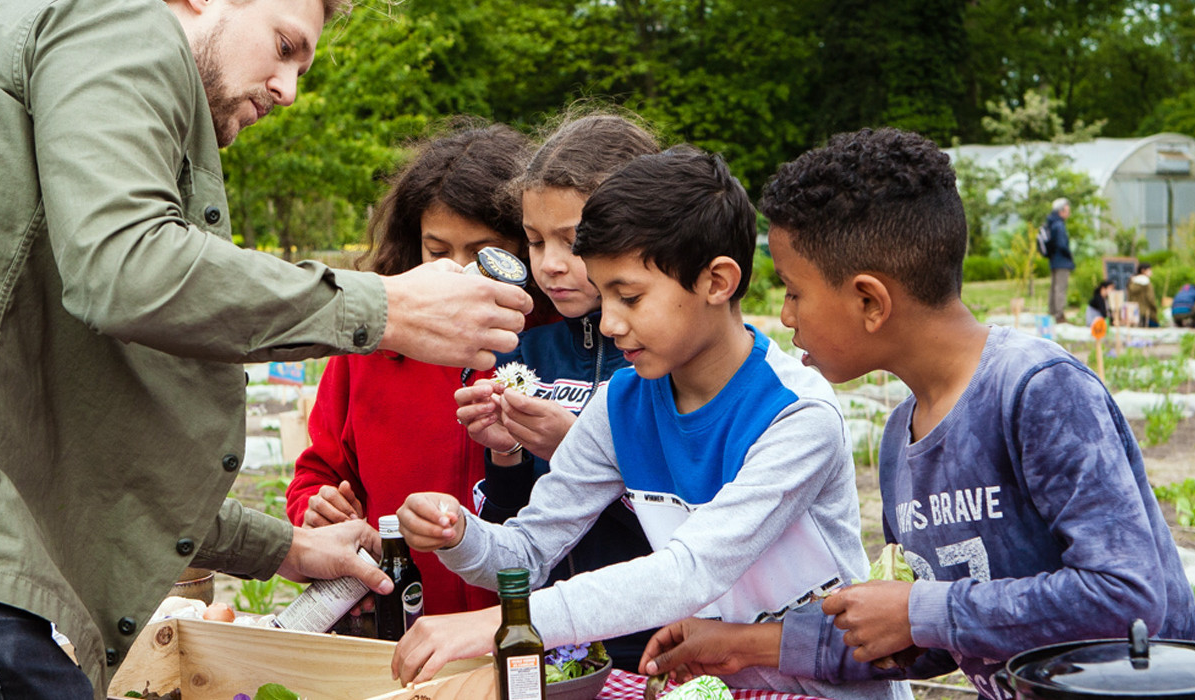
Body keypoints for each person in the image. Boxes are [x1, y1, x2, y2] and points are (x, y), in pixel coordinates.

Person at [0, 0, 533, 696]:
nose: (289, 89)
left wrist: (283, 547)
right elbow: (128, 269)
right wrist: (387, 305)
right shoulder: (114, 18)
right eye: (284, 46)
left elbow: (71, 423)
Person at [637, 128, 1195, 700]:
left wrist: (920, 609)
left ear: (869, 302)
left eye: (792, 290)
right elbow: (917, 639)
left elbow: (1126, 596)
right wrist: (740, 644)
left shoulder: (1036, 391)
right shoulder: (898, 441)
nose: (785, 317)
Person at [396, 148, 908, 700]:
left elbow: (689, 573)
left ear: (717, 282)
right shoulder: (621, 406)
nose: (611, 322)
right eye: (603, 292)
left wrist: (491, 625)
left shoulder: (796, 417)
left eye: (631, 297)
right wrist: (459, 535)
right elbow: (526, 555)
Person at [284, 123, 542, 618]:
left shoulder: (556, 349)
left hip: (533, 635)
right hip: (403, 628)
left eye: (485, 254)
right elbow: (319, 472)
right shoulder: (368, 352)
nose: (459, 272)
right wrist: (317, 507)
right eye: (438, 251)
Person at [452, 113, 659, 671]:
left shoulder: (661, 358)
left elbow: (696, 532)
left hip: (656, 645)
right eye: (535, 240)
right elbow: (517, 532)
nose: (549, 265)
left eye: (573, 241)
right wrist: (506, 452)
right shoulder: (526, 350)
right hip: (557, 646)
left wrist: (575, 444)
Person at [1044, 198, 1074, 322]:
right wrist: (1069, 256)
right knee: (1060, 287)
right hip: (1062, 260)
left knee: (1054, 287)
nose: (1069, 213)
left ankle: (1052, 312)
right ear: (1061, 211)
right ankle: (1059, 315)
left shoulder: (1051, 223)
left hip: (1053, 260)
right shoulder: (1059, 225)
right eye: (1067, 210)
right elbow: (1062, 245)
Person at [1127, 262, 1160, 327]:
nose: (1151, 272)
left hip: (1134, 313)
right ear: (1143, 270)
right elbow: (1150, 298)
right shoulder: (1147, 283)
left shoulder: (1132, 281)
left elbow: (1129, 297)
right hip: (1147, 313)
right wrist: (1155, 308)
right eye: (1149, 270)